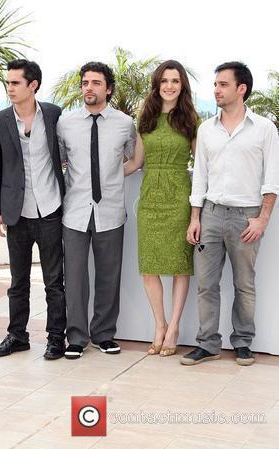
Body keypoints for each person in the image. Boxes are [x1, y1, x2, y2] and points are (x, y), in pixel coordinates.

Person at [181, 61, 279, 367]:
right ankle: (208, 344)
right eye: (215, 85)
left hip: (246, 217)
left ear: (241, 89)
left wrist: (262, 219)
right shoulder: (206, 129)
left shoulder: (264, 128)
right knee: (206, 284)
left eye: (223, 84)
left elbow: (272, 178)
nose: (216, 90)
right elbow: (200, 176)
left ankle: (243, 343)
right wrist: (195, 217)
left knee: (244, 284)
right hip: (209, 214)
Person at [0, 59, 66, 360]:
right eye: (8, 83)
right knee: (18, 282)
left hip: (50, 211)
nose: (9, 88)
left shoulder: (55, 115)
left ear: (33, 85)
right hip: (16, 214)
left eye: (15, 83)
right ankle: (17, 336)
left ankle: (56, 338)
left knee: (54, 282)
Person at [57, 61, 136, 359]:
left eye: (96, 83)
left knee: (108, 276)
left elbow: (132, 159)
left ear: (108, 88)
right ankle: (76, 338)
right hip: (75, 211)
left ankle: (104, 334)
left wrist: (114, 177)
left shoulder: (124, 123)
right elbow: (60, 162)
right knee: (75, 278)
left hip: (112, 210)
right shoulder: (65, 123)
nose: (89, 88)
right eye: (85, 82)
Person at [124, 60, 198, 356]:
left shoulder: (191, 119)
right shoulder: (146, 118)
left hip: (180, 197)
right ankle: (159, 324)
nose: (169, 86)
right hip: (150, 199)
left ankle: (175, 326)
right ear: (157, 85)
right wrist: (100, 172)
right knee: (149, 267)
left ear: (182, 86)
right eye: (164, 80)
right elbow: (135, 163)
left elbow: (203, 165)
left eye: (175, 81)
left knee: (181, 266)